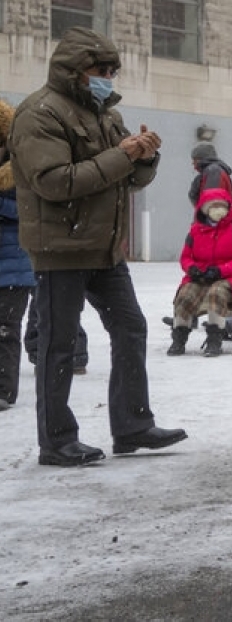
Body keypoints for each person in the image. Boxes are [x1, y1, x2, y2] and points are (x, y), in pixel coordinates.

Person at [8, 26, 186, 466]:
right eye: (99, 70)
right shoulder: (40, 114)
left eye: (112, 70)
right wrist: (123, 155)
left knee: (131, 327)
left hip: (105, 248)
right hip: (60, 248)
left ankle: (133, 425)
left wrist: (143, 157)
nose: (108, 77)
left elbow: (125, 178)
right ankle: (57, 440)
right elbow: (54, 182)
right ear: (74, 71)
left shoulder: (105, 113)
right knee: (59, 344)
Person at [167, 187, 232, 358]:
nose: (219, 210)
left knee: (217, 293)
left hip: (230, 278)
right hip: (200, 276)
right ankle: (179, 338)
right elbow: (186, 257)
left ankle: (215, 339)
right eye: (214, 206)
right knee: (185, 295)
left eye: (223, 206)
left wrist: (221, 270)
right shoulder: (195, 231)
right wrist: (192, 269)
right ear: (205, 209)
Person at [0, 99, 37, 409]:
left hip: (14, 263)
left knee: (5, 328)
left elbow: (31, 210)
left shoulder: (21, 167)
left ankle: (2, 390)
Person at [188, 142, 232, 206]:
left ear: (200, 159)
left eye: (194, 159)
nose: (192, 163)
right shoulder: (212, 171)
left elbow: (212, 203)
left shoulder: (214, 172)